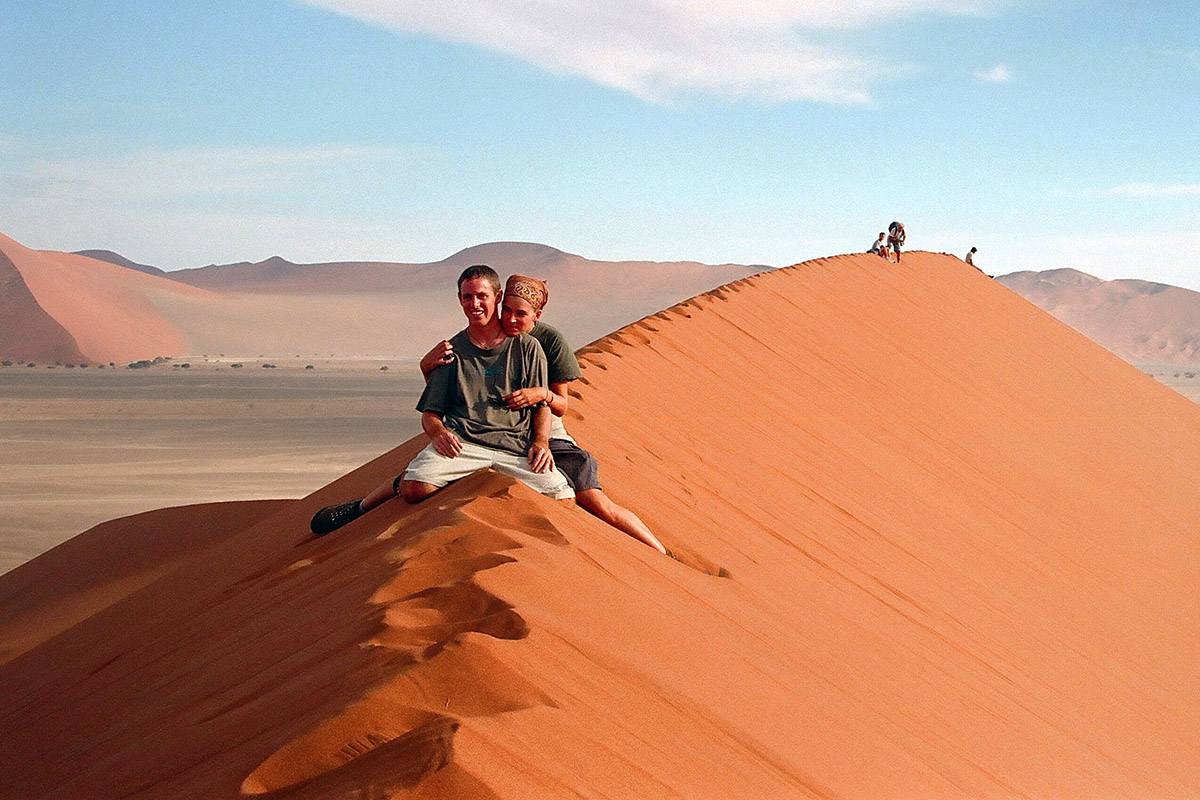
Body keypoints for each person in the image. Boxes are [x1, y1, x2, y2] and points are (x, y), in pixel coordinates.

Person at [310, 265, 572, 535]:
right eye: (467, 297)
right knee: (414, 489)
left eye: (482, 296)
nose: (475, 304)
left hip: (515, 446)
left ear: (497, 296)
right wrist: (438, 434)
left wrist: (541, 441)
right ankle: (385, 492)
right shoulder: (450, 351)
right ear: (459, 299)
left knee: (562, 498)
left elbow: (542, 407)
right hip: (464, 445)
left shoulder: (529, 348)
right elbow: (430, 413)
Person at [421, 274, 669, 556]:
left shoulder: (547, 341)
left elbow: (561, 405)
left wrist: (540, 395)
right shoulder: (492, 335)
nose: (512, 320)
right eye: (508, 312)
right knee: (417, 475)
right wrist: (425, 366)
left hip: (549, 431)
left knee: (594, 500)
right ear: (501, 303)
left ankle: (658, 552)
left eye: (521, 314)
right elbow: (458, 389)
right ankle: (373, 500)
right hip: (503, 430)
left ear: (536, 315)